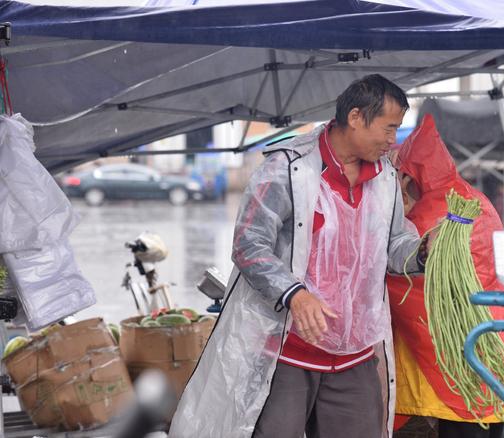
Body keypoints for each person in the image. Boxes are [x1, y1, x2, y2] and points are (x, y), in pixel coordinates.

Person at [169, 74, 426, 438]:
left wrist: (422, 253)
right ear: (355, 117)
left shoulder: (385, 178)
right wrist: (296, 294)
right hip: (286, 351)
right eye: (388, 128)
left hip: (355, 353)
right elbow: (248, 244)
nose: (392, 140)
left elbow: (394, 245)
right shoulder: (287, 168)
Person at [387, 114, 504, 438]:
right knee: (490, 419)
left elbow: (398, 278)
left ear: (408, 176)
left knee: (462, 421)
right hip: (496, 343)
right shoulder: (475, 200)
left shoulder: (427, 215)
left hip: (456, 356)